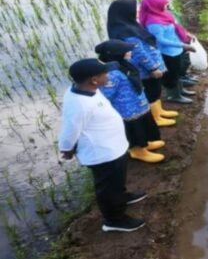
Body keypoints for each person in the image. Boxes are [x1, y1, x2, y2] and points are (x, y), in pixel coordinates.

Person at [58, 59, 147, 233]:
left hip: (114, 147)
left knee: (117, 181)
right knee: (108, 188)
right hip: (103, 154)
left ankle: (121, 196)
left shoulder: (88, 89)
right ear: (94, 80)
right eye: (104, 74)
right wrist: (67, 149)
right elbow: (69, 130)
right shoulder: (79, 105)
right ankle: (114, 220)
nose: (108, 76)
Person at [106, 0, 176, 127]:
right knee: (152, 91)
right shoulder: (125, 31)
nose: (138, 11)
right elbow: (139, 53)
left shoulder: (129, 25)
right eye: (135, 10)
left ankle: (160, 112)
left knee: (156, 89)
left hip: (150, 66)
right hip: (145, 70)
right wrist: (153, 68)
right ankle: (156, 118)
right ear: (126, 12)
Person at [95, 40, 165, 163]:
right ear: (115, 54)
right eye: (126, 51)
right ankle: (137, 151)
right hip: (127, 111)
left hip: (138, 105)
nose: (130, 53)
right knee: (135, 131)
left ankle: (145, 144)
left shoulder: (124, 65)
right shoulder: (111, 74)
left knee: (143, 126)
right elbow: (106, 96)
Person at [140, 0, 196, 105]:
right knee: (172, 75)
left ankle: (180, 91)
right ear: (155, 6)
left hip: (176, 50)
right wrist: (182, 45)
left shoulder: (162, 15)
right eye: (164, 4)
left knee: (178, 72)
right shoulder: (153, 23)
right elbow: (161, 40)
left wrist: (186, 35)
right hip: (168, 53)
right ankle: (173, 96)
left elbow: (175, 27)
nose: (166, 5)